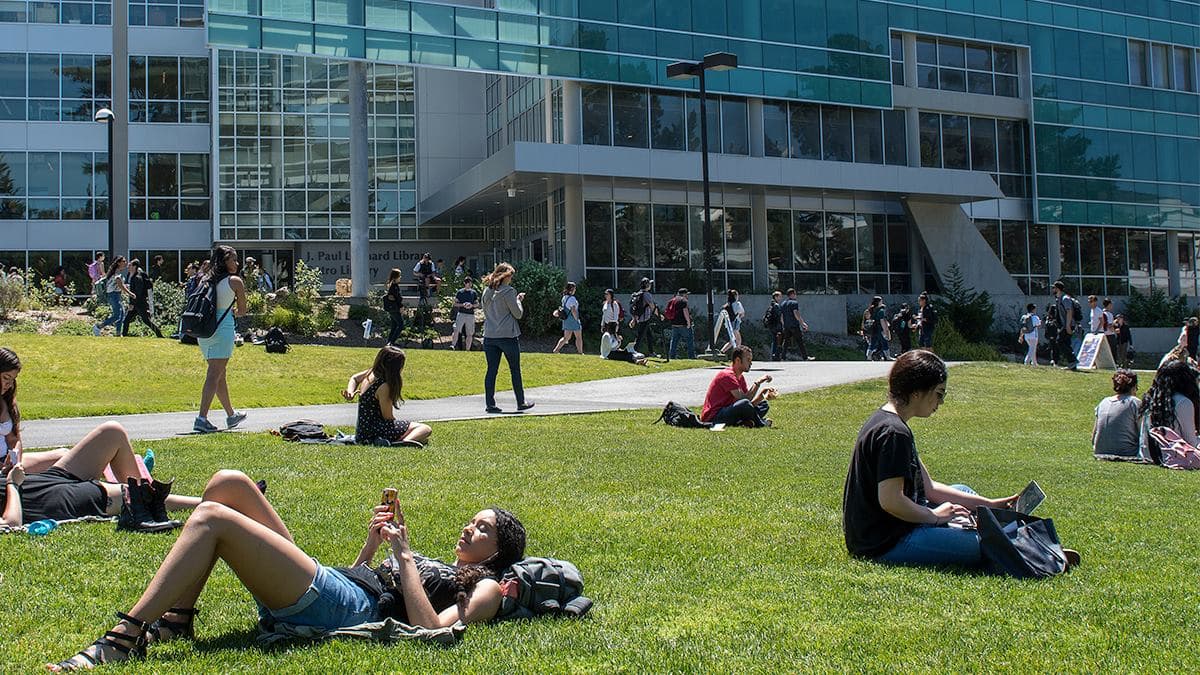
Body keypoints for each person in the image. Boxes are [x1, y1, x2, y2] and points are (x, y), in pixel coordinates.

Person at [48, 475, 526, 670]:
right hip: (338, 584)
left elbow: (431, 633)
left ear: (498, 550)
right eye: (471, 521)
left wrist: (403, 558)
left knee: (212, 519)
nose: (468, 528)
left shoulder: (487, 586)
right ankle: (177, 620)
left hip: (343, 607)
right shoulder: (444, 566)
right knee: (227, 485)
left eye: (481, 528)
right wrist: (373, 546)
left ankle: (122, 637)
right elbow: (363, 576)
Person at [842, 350, 1078, 568]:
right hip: (885, 542)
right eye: (939, 394)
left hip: (892, 529)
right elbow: (891, 501)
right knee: (983, 543)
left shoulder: (890, 422)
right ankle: (1030, 549)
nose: (940, 403)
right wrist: (935, 517)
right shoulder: (894, 433)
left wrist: (990, 503)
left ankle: (1008, 534)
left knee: (963, 492)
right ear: (916, 391)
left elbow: (929, 488)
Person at [193, 245, 249, 434]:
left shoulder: (206, 279)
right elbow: (242, 311)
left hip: (205, 331)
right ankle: (202, 418)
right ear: (225, 261)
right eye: (233, 259)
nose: (237, 263)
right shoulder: (235, 281)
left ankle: (231, 415)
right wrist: (232, 309)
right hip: (222, 329)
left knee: (219, 374)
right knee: (214, 374)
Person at [342, 346, 432, 448]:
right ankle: (403, 442)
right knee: (425, 429)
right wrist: (400, 426)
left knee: (420, 436)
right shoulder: (384, 387)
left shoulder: (371, 373)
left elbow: (354, 378)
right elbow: (387, 417)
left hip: (362, 433)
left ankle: (402, 439)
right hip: (375, 431)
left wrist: (350, 391)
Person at [480, 263, 533, 414]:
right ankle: (521, 402)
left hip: (490, 335)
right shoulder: (509, 291)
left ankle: (490, 404)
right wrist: (518, 300)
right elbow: (518, 314)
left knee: (491, 370)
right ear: (506, 276)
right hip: (507, 336)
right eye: (511, 276)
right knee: (515, 369)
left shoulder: (487, 292)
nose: (511, 279)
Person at [1137, 358, 1200, 464]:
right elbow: (1191, 442)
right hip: (1174, 456)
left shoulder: (1150, 399)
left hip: (1147, 455)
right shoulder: (1183, 403)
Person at [699, 346, 776, 427]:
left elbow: (748, 402)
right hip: (714, 417)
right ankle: (761, 424)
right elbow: (744, 401)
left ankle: (744, 422)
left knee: (764, 405)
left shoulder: (740, 377)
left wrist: (761, 395)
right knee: (744, 404)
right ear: (738, 360)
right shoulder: (727, 375)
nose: (751, 363)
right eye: (748, 360)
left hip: (728, 411)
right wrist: (757, 382)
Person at [1094, 369, 1141, 461]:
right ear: (1134, 387)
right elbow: (1143, 434)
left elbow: (1094, 434)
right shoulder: (1134, 402)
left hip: (1099, 451)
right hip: (1127, 453)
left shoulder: (1104, 401)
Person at [121, 259, 163, 338]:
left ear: (135, 266)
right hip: (136, 303)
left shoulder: (137, 277)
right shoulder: (134, 276)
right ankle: (124, 335)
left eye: (130, 265)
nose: (128, 267)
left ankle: (159, 334)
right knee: (127, 320)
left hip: (139, 304)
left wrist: (132, 303)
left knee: (146, 321)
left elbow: (138, 293)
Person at [93, 256, 132, 337]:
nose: (125, 262)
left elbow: (118, 284)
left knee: (121, 314)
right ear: (118, 263)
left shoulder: (116, 272)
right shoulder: (117, 273)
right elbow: (120, 284)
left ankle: (118, 333)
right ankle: (98, 327)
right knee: (117, 315)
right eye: (124, 261)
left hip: (116, 295)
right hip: (113, 295)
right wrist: (130, 293)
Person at [779, 288, 813, 361]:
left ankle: (783, 357)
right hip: (794, 325)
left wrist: (784, 325)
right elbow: (796, 314)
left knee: (786, 342)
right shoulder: (794, 303)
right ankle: (805, 357)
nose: (796, 295)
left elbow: (781, 316)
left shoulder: (783, 304)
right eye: (795, 294)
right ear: (792, 294)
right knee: (799, 341)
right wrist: (802, 323)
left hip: (787, 326)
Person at [1051, 281, 1079, 370]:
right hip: (1064, 325)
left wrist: (1067, 326)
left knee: (1060, 341)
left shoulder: (1065, 299)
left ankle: (1072, 360)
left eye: (1054, 288)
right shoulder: (1058, 299)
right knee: (1065, 343)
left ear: (1058, 289)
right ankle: (1072, 364)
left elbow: (1069, 311)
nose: (1052, 290)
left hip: (1068, 324)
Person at [551, 281, 584, 355]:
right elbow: (573, 310)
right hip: (573, 319)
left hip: (566, 320)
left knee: (566, 337)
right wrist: (577, 319)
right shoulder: (572, 298)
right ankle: (580, 352)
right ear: (572, 289)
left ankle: (556, 350)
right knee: (578, 337)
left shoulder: (564, 297)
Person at [629, 277, 658, 357]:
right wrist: (659, 315)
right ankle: (633, 351)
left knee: (649, 335)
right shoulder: (647, 295)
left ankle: (651, 352)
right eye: (650, 284)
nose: (651, 286)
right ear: (647, 285)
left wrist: (634, 319)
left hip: (640, 318)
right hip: (645, 318)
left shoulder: (638, 293)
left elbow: (636, 308)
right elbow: (652, 306)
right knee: (640, 336)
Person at [665, 288, 695, 361]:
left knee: (674, 341)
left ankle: (672, 356)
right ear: (684, 294)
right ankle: (691, 357)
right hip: (683, 324)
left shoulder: (673, 300)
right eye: (687, 294)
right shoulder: (683, 300)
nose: (687, 296)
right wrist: (688, 322)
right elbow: (685, 312)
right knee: (689, 340)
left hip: (674, 324)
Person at [449, 276, 478, 351]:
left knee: (470, 333)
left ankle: (467, 349)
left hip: (470, 314)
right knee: (456, 330)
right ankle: (453, 345)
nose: (468, 284)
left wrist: (471, 305)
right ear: (464, 283)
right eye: (467, 283)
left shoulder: (473, 293)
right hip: (461, 313)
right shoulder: (460, 292)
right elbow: (455, 304)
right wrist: (463, 305)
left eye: (470, 283)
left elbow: (477, 304)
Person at [716, 289, 744, 355]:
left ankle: (722, 351)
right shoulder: (737, 304)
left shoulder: (727, 305)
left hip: (729, 324)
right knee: (737, 340)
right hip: (735, 323)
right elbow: (742, 313)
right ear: (735, 296)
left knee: (732, 340)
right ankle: (737, 354)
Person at [863, 296, 890, 361]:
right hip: (880, 328)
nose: (882, 302)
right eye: (881, 301)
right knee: (884, 342)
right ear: (878, 302)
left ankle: (868, 356)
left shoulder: (871, 309)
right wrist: (885, 330)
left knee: (872, 343)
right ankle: (888, 356)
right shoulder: (881, 311)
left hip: (873, 329)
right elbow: (882, 321)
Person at [383, 268, 405, 346]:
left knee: (394, 325)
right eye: (399, 276)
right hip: (394, 308)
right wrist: (401, 307)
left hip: (391, 308)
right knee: (401, 324)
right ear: (396, 277)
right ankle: (392, 342)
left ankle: (389, 342)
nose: (400, 277)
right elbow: (396, 298)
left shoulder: (392, 285)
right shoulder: (394, 286)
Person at [766, 290, 785, 361]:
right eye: (780, 296)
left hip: (772, 326)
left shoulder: (771, 305)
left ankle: (774, 354)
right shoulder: (776, 305)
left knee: (775, 340)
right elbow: (779, 316)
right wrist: (783, 324)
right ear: (776, 297)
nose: (781, 298)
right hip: (777, 326)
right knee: (778, 340)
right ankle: (776, 354)